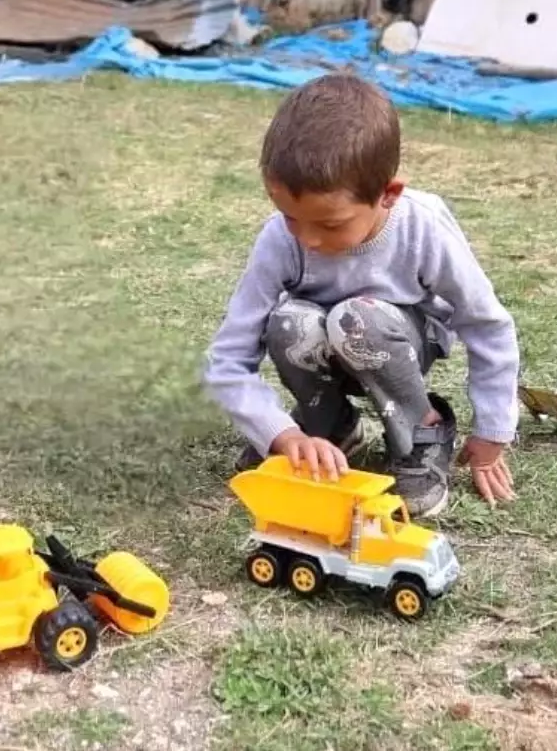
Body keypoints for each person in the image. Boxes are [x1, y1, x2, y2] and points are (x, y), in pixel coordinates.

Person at [204, 74, 519, 517]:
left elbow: (486, 324)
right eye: (290, 217)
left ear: (388, 195)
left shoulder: (423, 228)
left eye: (330, 224)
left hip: (396, 341)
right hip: (326, 345)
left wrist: (494, 428)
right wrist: (281, 435)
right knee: (289, 320)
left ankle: (420, 434)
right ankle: (329, 426)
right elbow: (228, 359)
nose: (307, 239)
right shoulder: (281, 239)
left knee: (356, 319)